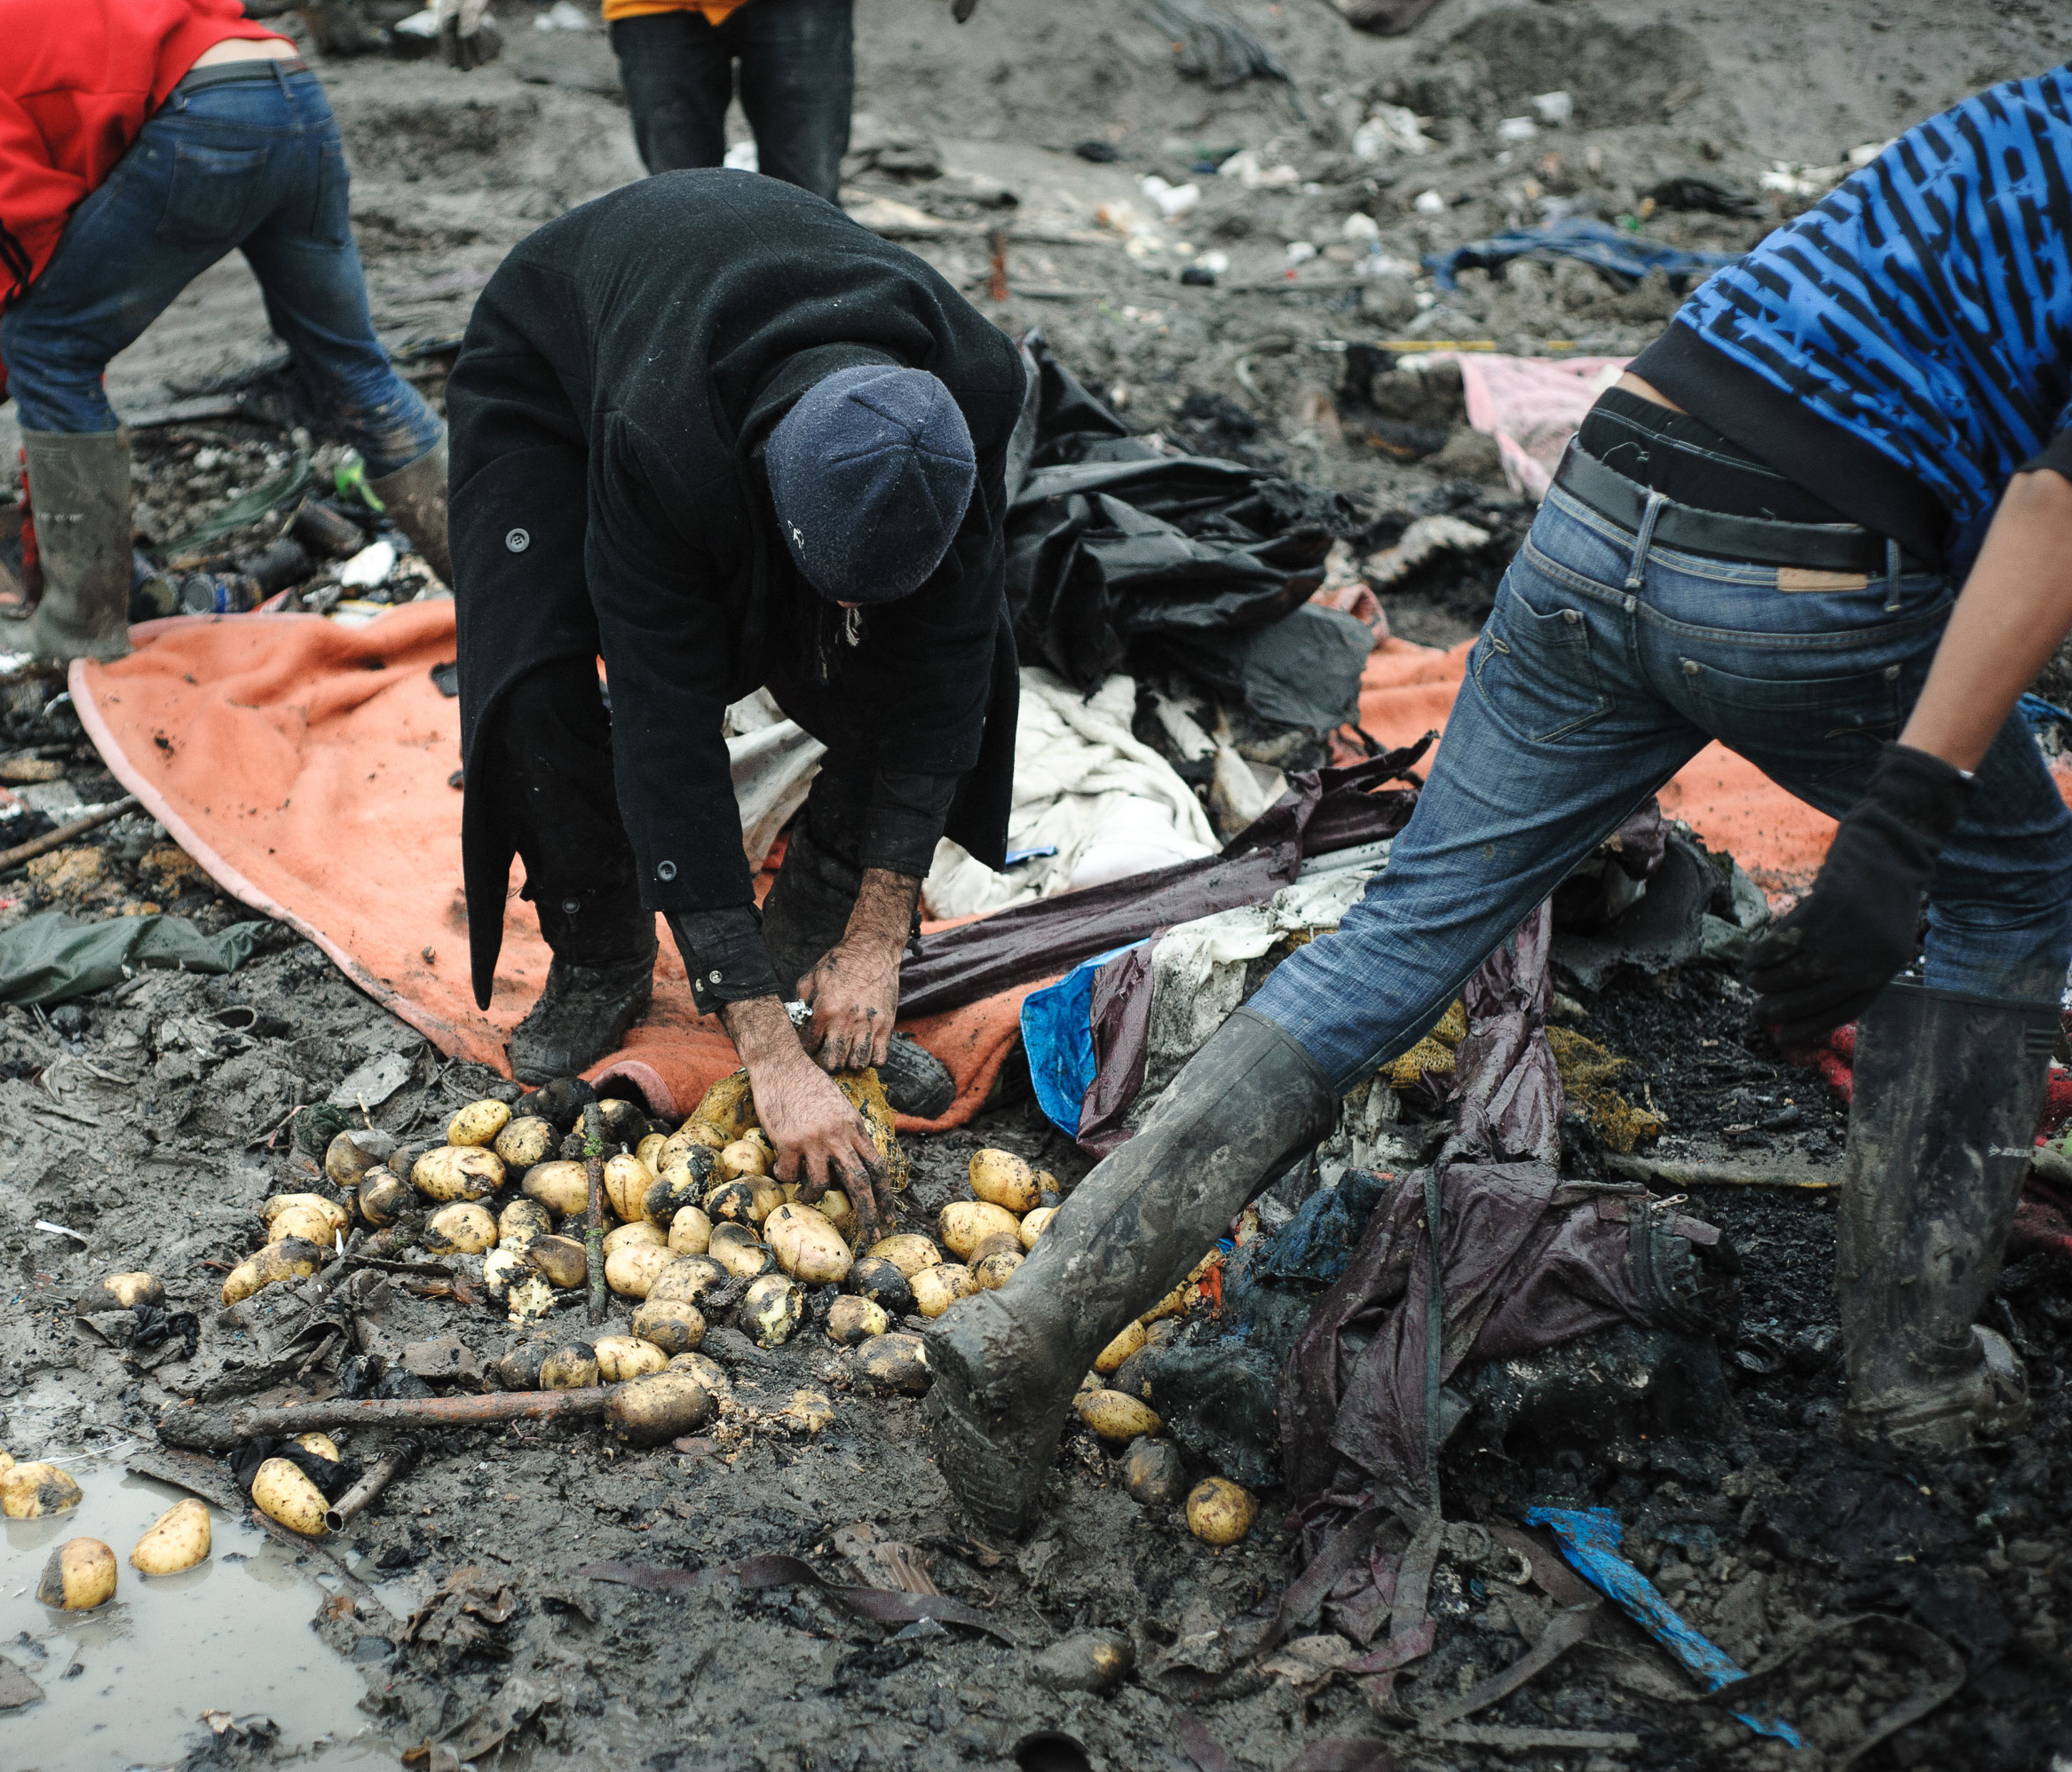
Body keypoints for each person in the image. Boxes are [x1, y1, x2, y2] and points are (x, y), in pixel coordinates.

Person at [926, 67, 2072, 1537]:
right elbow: (2051, 504)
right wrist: (1909, 813)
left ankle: (1038, 1319)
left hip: (1603, 504)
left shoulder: (2022, 116)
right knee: (2008, 892)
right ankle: (1913, 1369)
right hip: (1805, 570)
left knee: (1398, 935)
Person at [448, 168, 1024, 1232]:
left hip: (743, 350)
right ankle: (599, 946)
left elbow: (942, 675)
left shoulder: (971, 387)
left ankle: (818, 926)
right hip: (560, 362)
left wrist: (880, 927)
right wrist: (758, 1045)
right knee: (528, 671)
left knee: (952, 650)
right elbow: (668, 730)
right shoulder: (662, 440)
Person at [0, 0, 451, 668]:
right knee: (350, 365)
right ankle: (493, 580)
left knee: (45, 349)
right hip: (289, 88)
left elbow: (30, 232)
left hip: (208, 111)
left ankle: (81, 627)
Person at [436, 0, 974, 205]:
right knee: (678, 197)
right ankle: (694, 355)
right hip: (654, 4)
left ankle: (812, 348)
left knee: (807, 193)